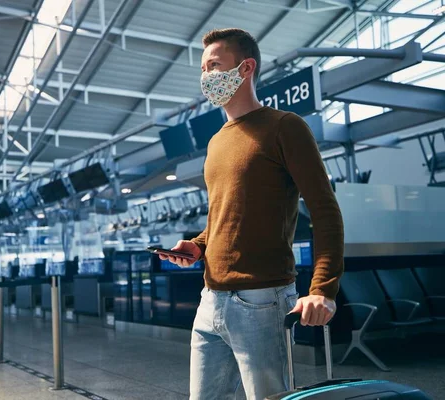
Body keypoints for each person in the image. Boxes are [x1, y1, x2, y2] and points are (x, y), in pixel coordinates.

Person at [158, 28, 344, 400]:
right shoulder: (216, 140)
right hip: (210, 298)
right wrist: (198, 245)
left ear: (245, 68)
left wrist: (323, 289)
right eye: (203, 68)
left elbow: (325, 211)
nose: (206, 76)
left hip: (261, 300)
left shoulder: (284, 127)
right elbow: (223, 215)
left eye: (214, 65)